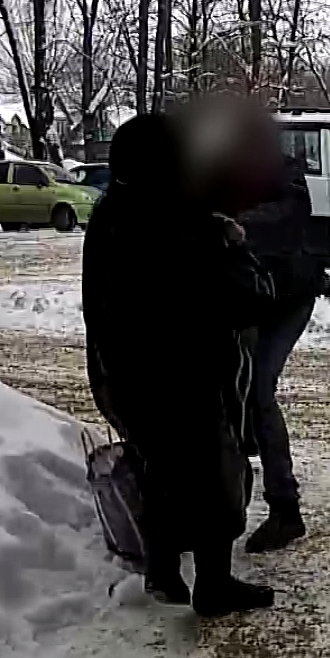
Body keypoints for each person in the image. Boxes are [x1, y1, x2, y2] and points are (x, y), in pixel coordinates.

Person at [83, 108, 279, 617]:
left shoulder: (112, 211)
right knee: (215, 477)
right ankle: (213, 585)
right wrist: (235, 247)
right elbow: (248, 300)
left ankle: (162, 569)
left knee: (158, 469)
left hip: (120, 373)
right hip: (184, 376)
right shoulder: (180, 224)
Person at [239, 144, 327, 552]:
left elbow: (287, 214)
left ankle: (285, 509)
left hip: (287, 296)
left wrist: (228, 223)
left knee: (258, 389)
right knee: (228, 390)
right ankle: (217, 503)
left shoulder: (281, 171)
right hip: (241, 296)